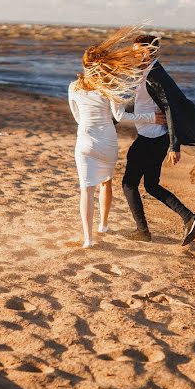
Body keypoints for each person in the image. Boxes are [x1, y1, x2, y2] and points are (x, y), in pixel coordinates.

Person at [68, 28, 159, 248]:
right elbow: (120, 116)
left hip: (85, 140)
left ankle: (88, 239)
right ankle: (104, 225)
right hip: (107, 141)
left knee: (86, 190)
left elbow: (77, 116)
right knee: (106, 183)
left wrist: (89, 129)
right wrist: (152, 117)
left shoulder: (74, 87)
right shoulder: (109, 86)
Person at [121, 34, 195, 246]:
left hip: (152, 138)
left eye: (138, 51)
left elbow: (171, 109)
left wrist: (174, 146)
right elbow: (141, 102)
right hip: (155, 137)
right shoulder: (148, 72)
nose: (134, 55)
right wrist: (113, 118)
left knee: (129, 183)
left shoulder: (156, 75)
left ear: (150, 52)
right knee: (151, 185)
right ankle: (189, 218)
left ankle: (142, 232)